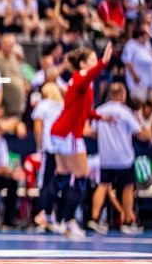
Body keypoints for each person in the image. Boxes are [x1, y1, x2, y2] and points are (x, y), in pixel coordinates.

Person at [48, 42, 113, 238]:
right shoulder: (81, 77)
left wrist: (101, 117)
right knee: (82, 177)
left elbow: (82, 109)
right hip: (69, 134)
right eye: (92, 60)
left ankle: (49, 215)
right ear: (83, 64)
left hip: (62, 132)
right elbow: (90, 75)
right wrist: (103, 62)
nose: (95, 62)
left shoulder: (82, 81)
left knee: (63, 175)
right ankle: (68, 221)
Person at [88, 83, 152, 235]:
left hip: (106, 157)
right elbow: (138, 133)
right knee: (128, 188)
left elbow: (93, 133)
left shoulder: (100, 110)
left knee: (103, 185)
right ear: (122, 95)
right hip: (124, 158)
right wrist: (149, 137)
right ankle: (127, 222)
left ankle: (94, 219)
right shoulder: (125, 112)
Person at [31, 83, 64, 232]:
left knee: (45, 181)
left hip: (48, 148)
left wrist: (39, 146)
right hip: (62, 149)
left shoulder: (43, 105)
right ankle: (51, 215)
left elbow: (37, 127)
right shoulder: (62, 106)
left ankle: (42, 215)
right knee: (57, 181)